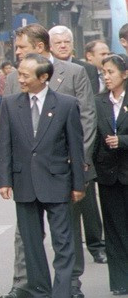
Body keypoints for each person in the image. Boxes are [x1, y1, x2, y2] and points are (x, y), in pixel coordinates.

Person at [0, 24, 96, 298]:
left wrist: (79, 183)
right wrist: (4, 180)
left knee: (64, 242)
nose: (20, 80)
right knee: (30, 244)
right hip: (25, 183)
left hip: (58, 180)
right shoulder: (10, 104)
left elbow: (77, 144)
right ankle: (41, 294)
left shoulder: (65, 104)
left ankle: (63, 295)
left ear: (44, 77)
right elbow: (4, 144)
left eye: (25, 76)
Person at [49, 25, 108, 265]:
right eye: (58, 42)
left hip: (84, 145)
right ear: (50, 46)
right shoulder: (45, 70)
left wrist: (84, 150)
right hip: (56, 149)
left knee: (87, 199)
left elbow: (89, 110)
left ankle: (96, 244)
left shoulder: (85, 69)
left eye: (66, 41)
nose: (63, 45)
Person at [93, 54, 128, 294]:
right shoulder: (98, 101)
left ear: (124, 74)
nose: (106, 77)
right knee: (114, 230)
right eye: (103, 72)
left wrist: (123, 141)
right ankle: (119, 282)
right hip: (108, 176)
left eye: (111, 72)